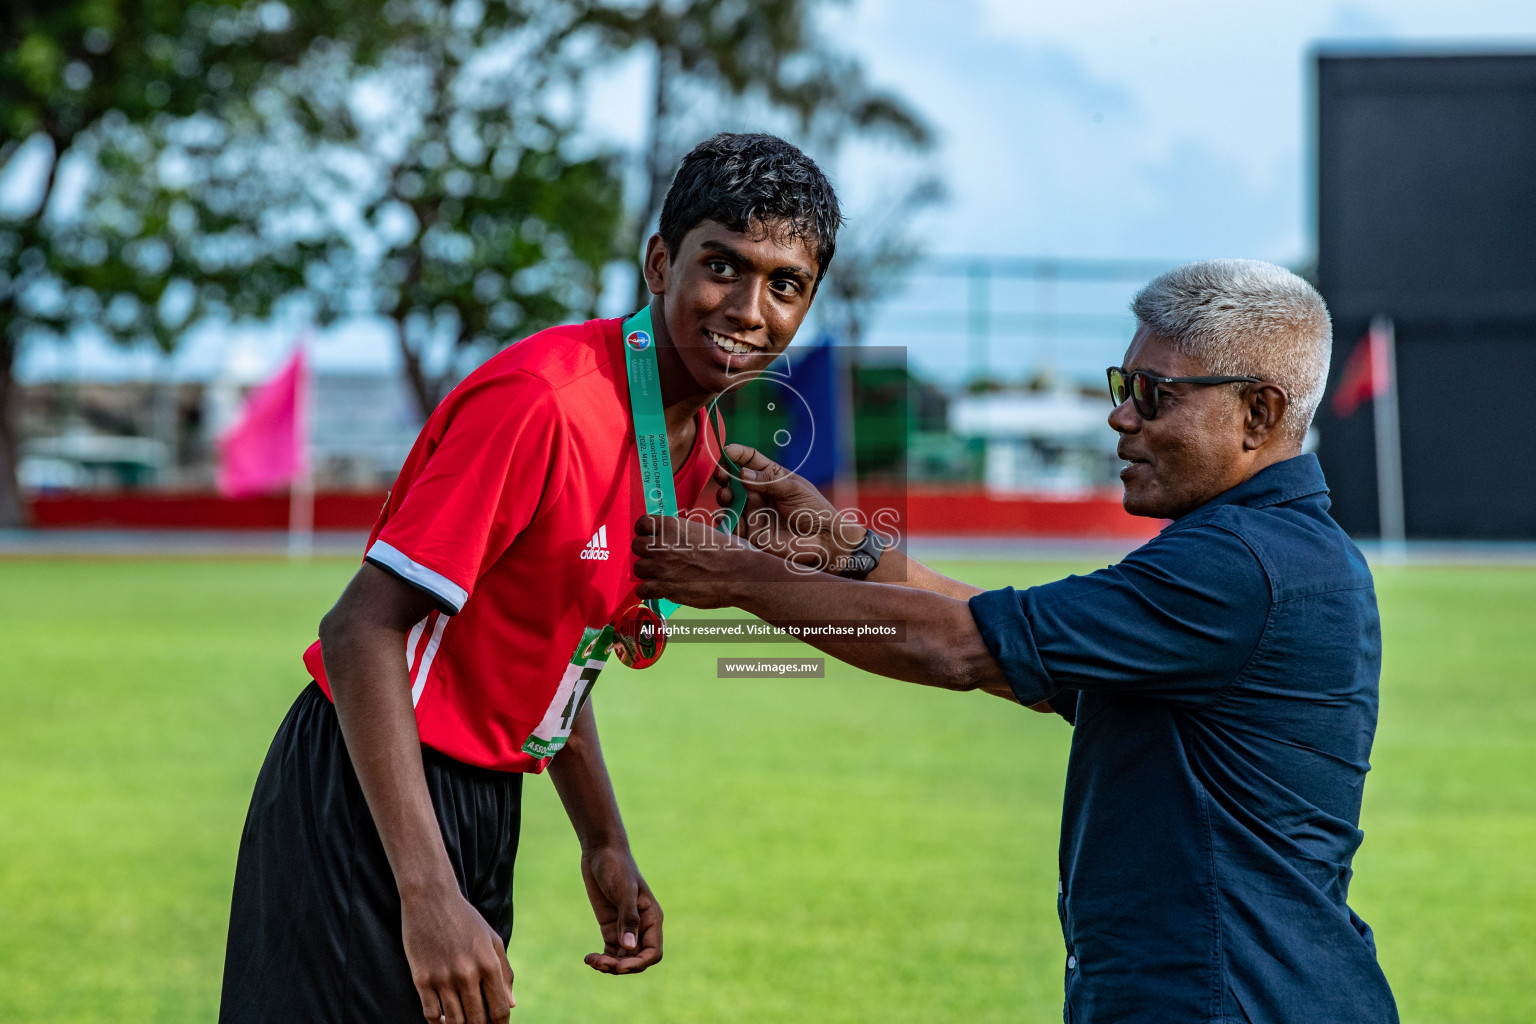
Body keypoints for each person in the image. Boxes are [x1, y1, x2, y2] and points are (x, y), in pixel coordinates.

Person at [633, 259, 1399, 1023]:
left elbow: (962, 648)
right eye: (1121, 386)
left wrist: (742, 578)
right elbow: (1014, 642)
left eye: (1154, 396)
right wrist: (846, 549)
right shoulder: (1272, 550)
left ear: (1258, 414)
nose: (1121, 418)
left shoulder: (1237, 566)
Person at [219, 131, 841, 1024]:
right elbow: (360, 630)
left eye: (786, 284)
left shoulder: (698, 449)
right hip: (371, 792)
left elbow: (564, 641)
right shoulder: (545, 401)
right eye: (723, 266)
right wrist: (428, 895)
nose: (750, 308)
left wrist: (603, 841)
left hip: (479, 802)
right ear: (660, 262)